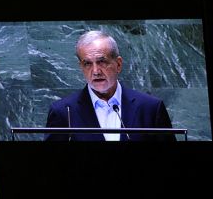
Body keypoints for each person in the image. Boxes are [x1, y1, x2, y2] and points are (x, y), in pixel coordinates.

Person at [44, 30, 174, 142]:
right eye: (88, 64)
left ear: (118, 64)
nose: (95, 71)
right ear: (81, 67)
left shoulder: (150, 108)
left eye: (102, 62)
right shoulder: (63, 112)